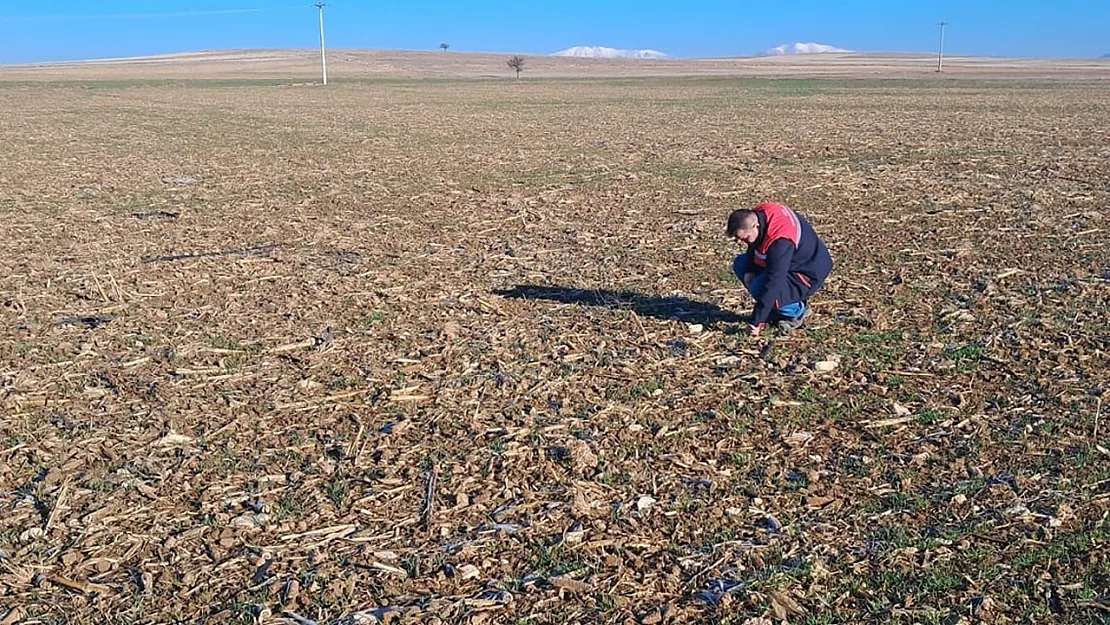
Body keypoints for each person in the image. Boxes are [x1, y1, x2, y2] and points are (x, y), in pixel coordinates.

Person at [726, 202, 833, 336]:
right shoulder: (761, 213)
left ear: (756, 226)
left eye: (745, 238)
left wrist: (756, 321)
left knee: (760, 288)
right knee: (742, 264)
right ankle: (774, 307)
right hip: (788, 261)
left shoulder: (780, 242)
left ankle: (797, 312)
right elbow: (755, 248)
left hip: (808, 271)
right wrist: (750, 270)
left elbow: (774, 282)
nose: (742, 242)